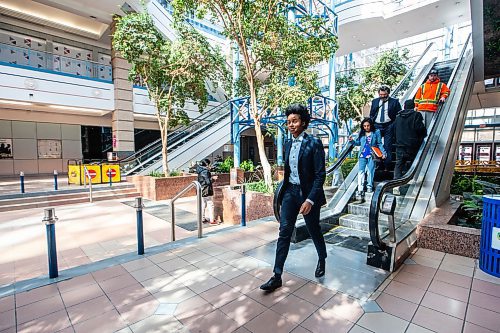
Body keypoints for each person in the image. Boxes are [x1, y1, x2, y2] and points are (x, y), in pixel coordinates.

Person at [260, 104, 327, 292]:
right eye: (288, 121)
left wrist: (310, 200)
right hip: (291, 193)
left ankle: (322, 258)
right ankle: (277, 275)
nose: (290, 125)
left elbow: (320, 175)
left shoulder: (314, 143)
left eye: (294, 121)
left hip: (309, 195)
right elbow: (289, 173)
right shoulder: (288, 144)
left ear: (303, 122)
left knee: (314, 229)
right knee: (284, 232)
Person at [349, 118, 386, 202]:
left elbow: (379, 143)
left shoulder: (376, 132)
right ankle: (360, 189)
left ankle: (369, 187)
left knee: (370, 171)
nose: (366, 127)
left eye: (368, 126)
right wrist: (352, 141)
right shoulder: (361, 133)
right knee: (361, 172)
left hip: (372, 155)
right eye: (364, 126)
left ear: (371, 125)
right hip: (362, 155)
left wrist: (383, 153)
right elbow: (358, 143)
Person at [369, 85, 402, 170]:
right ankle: (378, 163)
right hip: (377, 125)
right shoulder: (375, 101)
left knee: (388, 145)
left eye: (384, 94)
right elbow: (372, 113)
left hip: (388, 125)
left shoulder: (394, 102)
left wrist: (393, 124)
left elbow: (399, 114)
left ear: (388, 93)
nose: (382, 96)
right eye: (381, 94)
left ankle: (387, 164)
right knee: (375, 145)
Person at [393, 99, 427, 181]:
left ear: (404, 106)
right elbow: (420, 128)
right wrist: (422, 137)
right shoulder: (416, 115)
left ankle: (395, 182)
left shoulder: (398, 117)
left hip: (400, 144)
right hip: (412, 145)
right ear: (413, 106)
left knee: (399, 164)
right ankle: (413, 180)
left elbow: (394, 130)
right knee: (413, 163)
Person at [196, 159, 217, 225]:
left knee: (203, 204)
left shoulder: (200, 170)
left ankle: (202, 219)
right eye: (209, 164)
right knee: (210, 204)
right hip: (207, 190)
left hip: (201, 189)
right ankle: (212, 220)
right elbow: (208, 182)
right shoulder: (205, 171)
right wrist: (213, 179)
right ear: (207, 164)